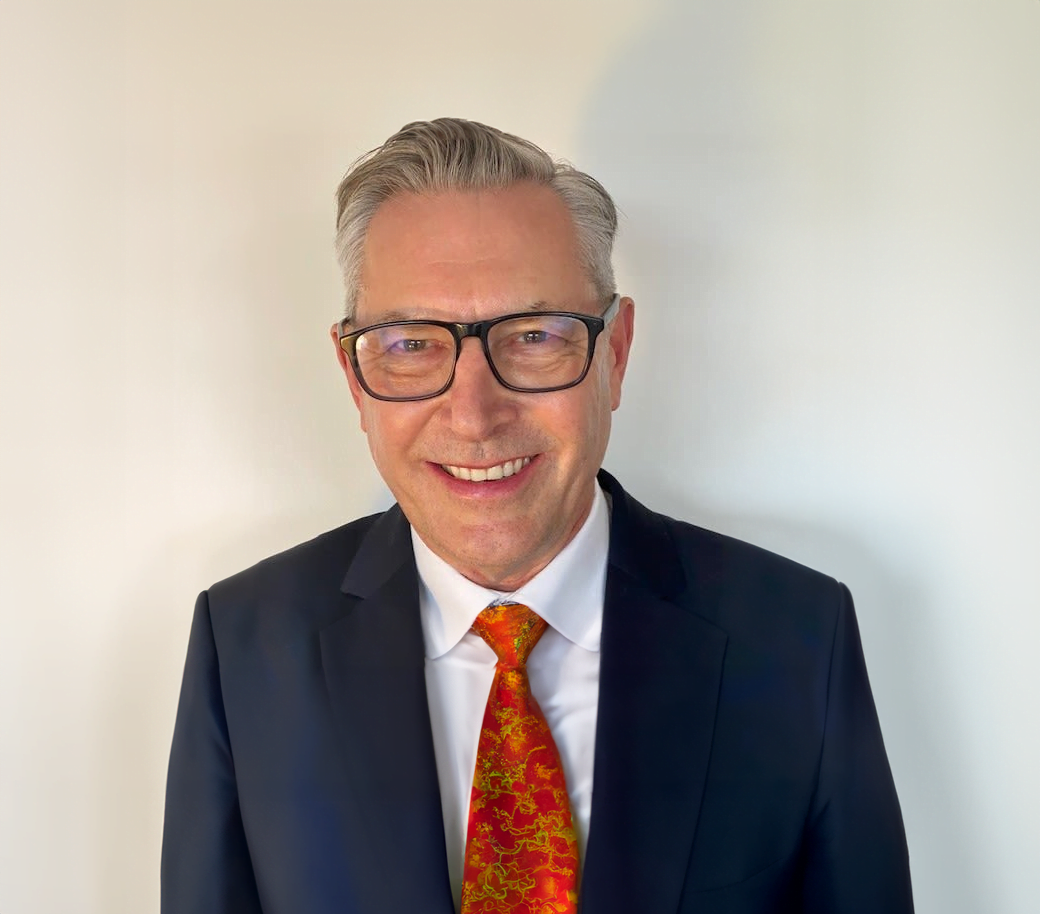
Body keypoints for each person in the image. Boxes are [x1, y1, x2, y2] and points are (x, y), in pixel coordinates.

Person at [161, 118, 913, 914]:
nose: (475, 414)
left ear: (614, 354)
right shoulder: (243, 647)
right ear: (355, 377)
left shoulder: (797, 636)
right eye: (412, 344)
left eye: (534, 336)